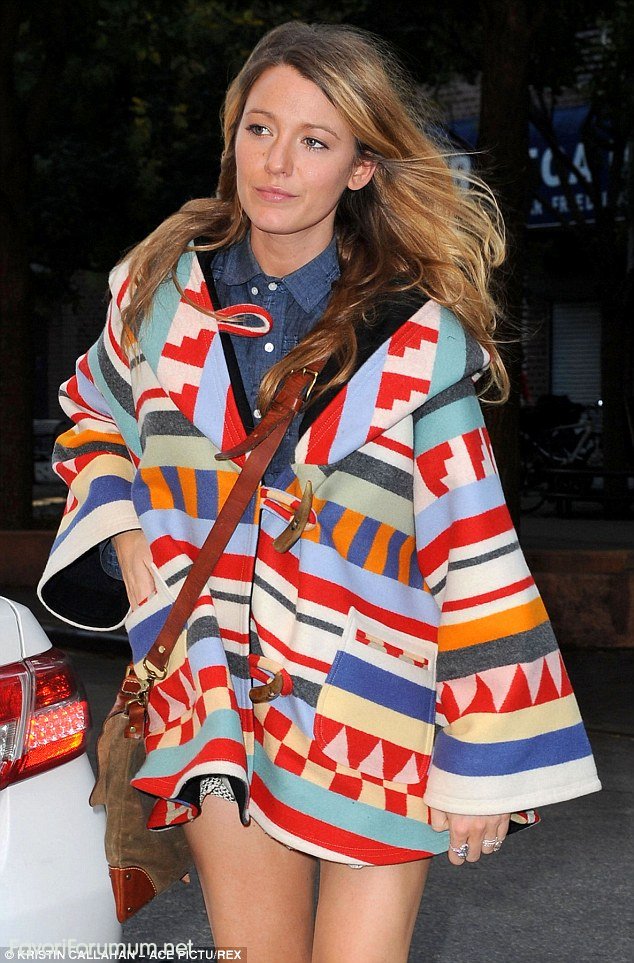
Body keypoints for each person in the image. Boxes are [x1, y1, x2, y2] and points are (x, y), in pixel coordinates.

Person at [39, 21, 601, 963]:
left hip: (373, 706)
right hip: (215, 694)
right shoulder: (156, 299)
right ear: (233, 138)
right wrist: (125, 528)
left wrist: (487, 760)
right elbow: (93, 414)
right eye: (260, 129)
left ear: (361, 168)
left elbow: (472, 543)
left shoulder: (413, 340)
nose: (277, 163)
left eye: (315, 140)